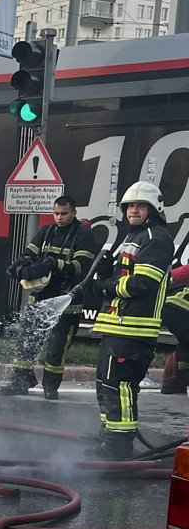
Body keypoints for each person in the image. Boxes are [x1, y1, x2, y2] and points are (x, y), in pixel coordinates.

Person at [70, 181, 173, 459]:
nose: (133, 211)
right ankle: (109, 436)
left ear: (154, 209)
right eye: (130, 206)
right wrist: (106, 273)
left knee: (120, 386)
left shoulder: (156, 238)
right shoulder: (135, 237)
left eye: (141, 206)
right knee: (107, 384)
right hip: (117, 326)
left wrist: (105, 286)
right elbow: (125, 276)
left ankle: (118, 445)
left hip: (134, 329)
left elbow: (142, 283)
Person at [0, 195, 98, 400]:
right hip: (40, 301)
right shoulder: (46, 232)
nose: (59, 218)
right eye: (56, 213)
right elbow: (30, 253)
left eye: (64, 214)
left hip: (67, 304)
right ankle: (20, 381)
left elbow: (80, 267)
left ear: (74, 213)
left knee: (56, 348)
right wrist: (21, 265)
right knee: (26, 341)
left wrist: (56, 264)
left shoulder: (84, 236)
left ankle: (51, 385)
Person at [159, 264, 189, 394]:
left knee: (185, 345)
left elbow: (173, 276)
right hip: (183, 309)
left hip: (171, 307)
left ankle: (173, 385)